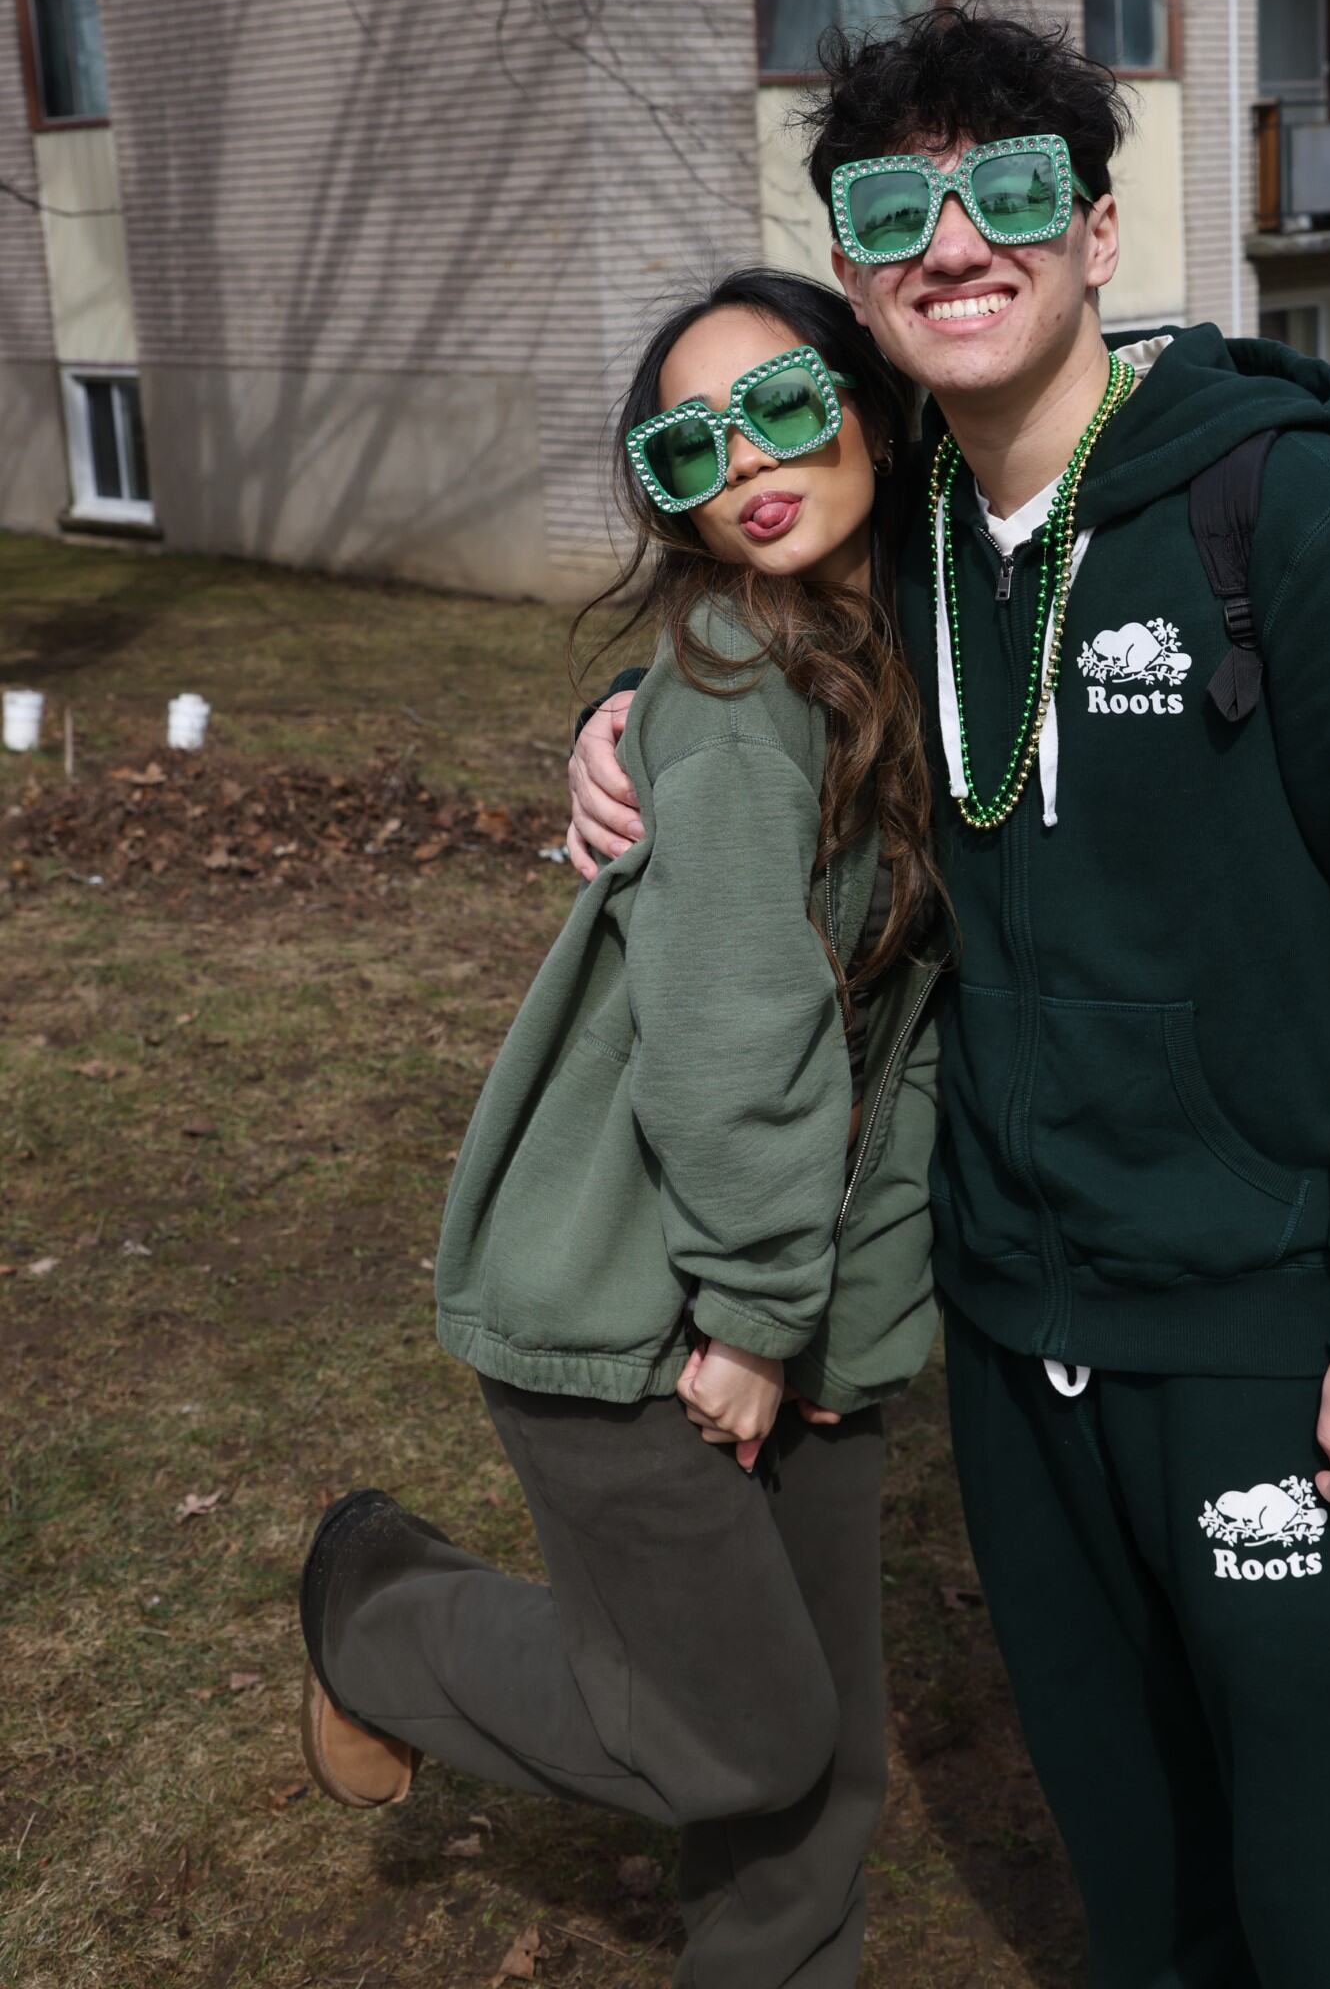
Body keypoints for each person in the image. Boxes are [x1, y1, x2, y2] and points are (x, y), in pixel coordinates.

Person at [568, 5, 1330, 1989]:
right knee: (1138, 1884)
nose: (952, 243)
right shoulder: (903, 541)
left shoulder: (1300, 529)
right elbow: (748, 641)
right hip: (1018, 1344)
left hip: (1277, 1340)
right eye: (890, 210)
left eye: (1006, 190)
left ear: (1095, 231)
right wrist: (609, 721)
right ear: (853, 275)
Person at [297, 269, 947, 1989]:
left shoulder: (915, 647)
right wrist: (759, 1318)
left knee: (824, 1762)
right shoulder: (741, 684)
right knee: (733, 1736)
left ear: (875, 411)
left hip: (798, 1292)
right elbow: (737, 1043)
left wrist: (844, 1319)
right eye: (690, 447)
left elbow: (901, 1035)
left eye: (785, 406)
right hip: (638, 1310)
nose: (748, 465)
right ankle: (380, 1622)